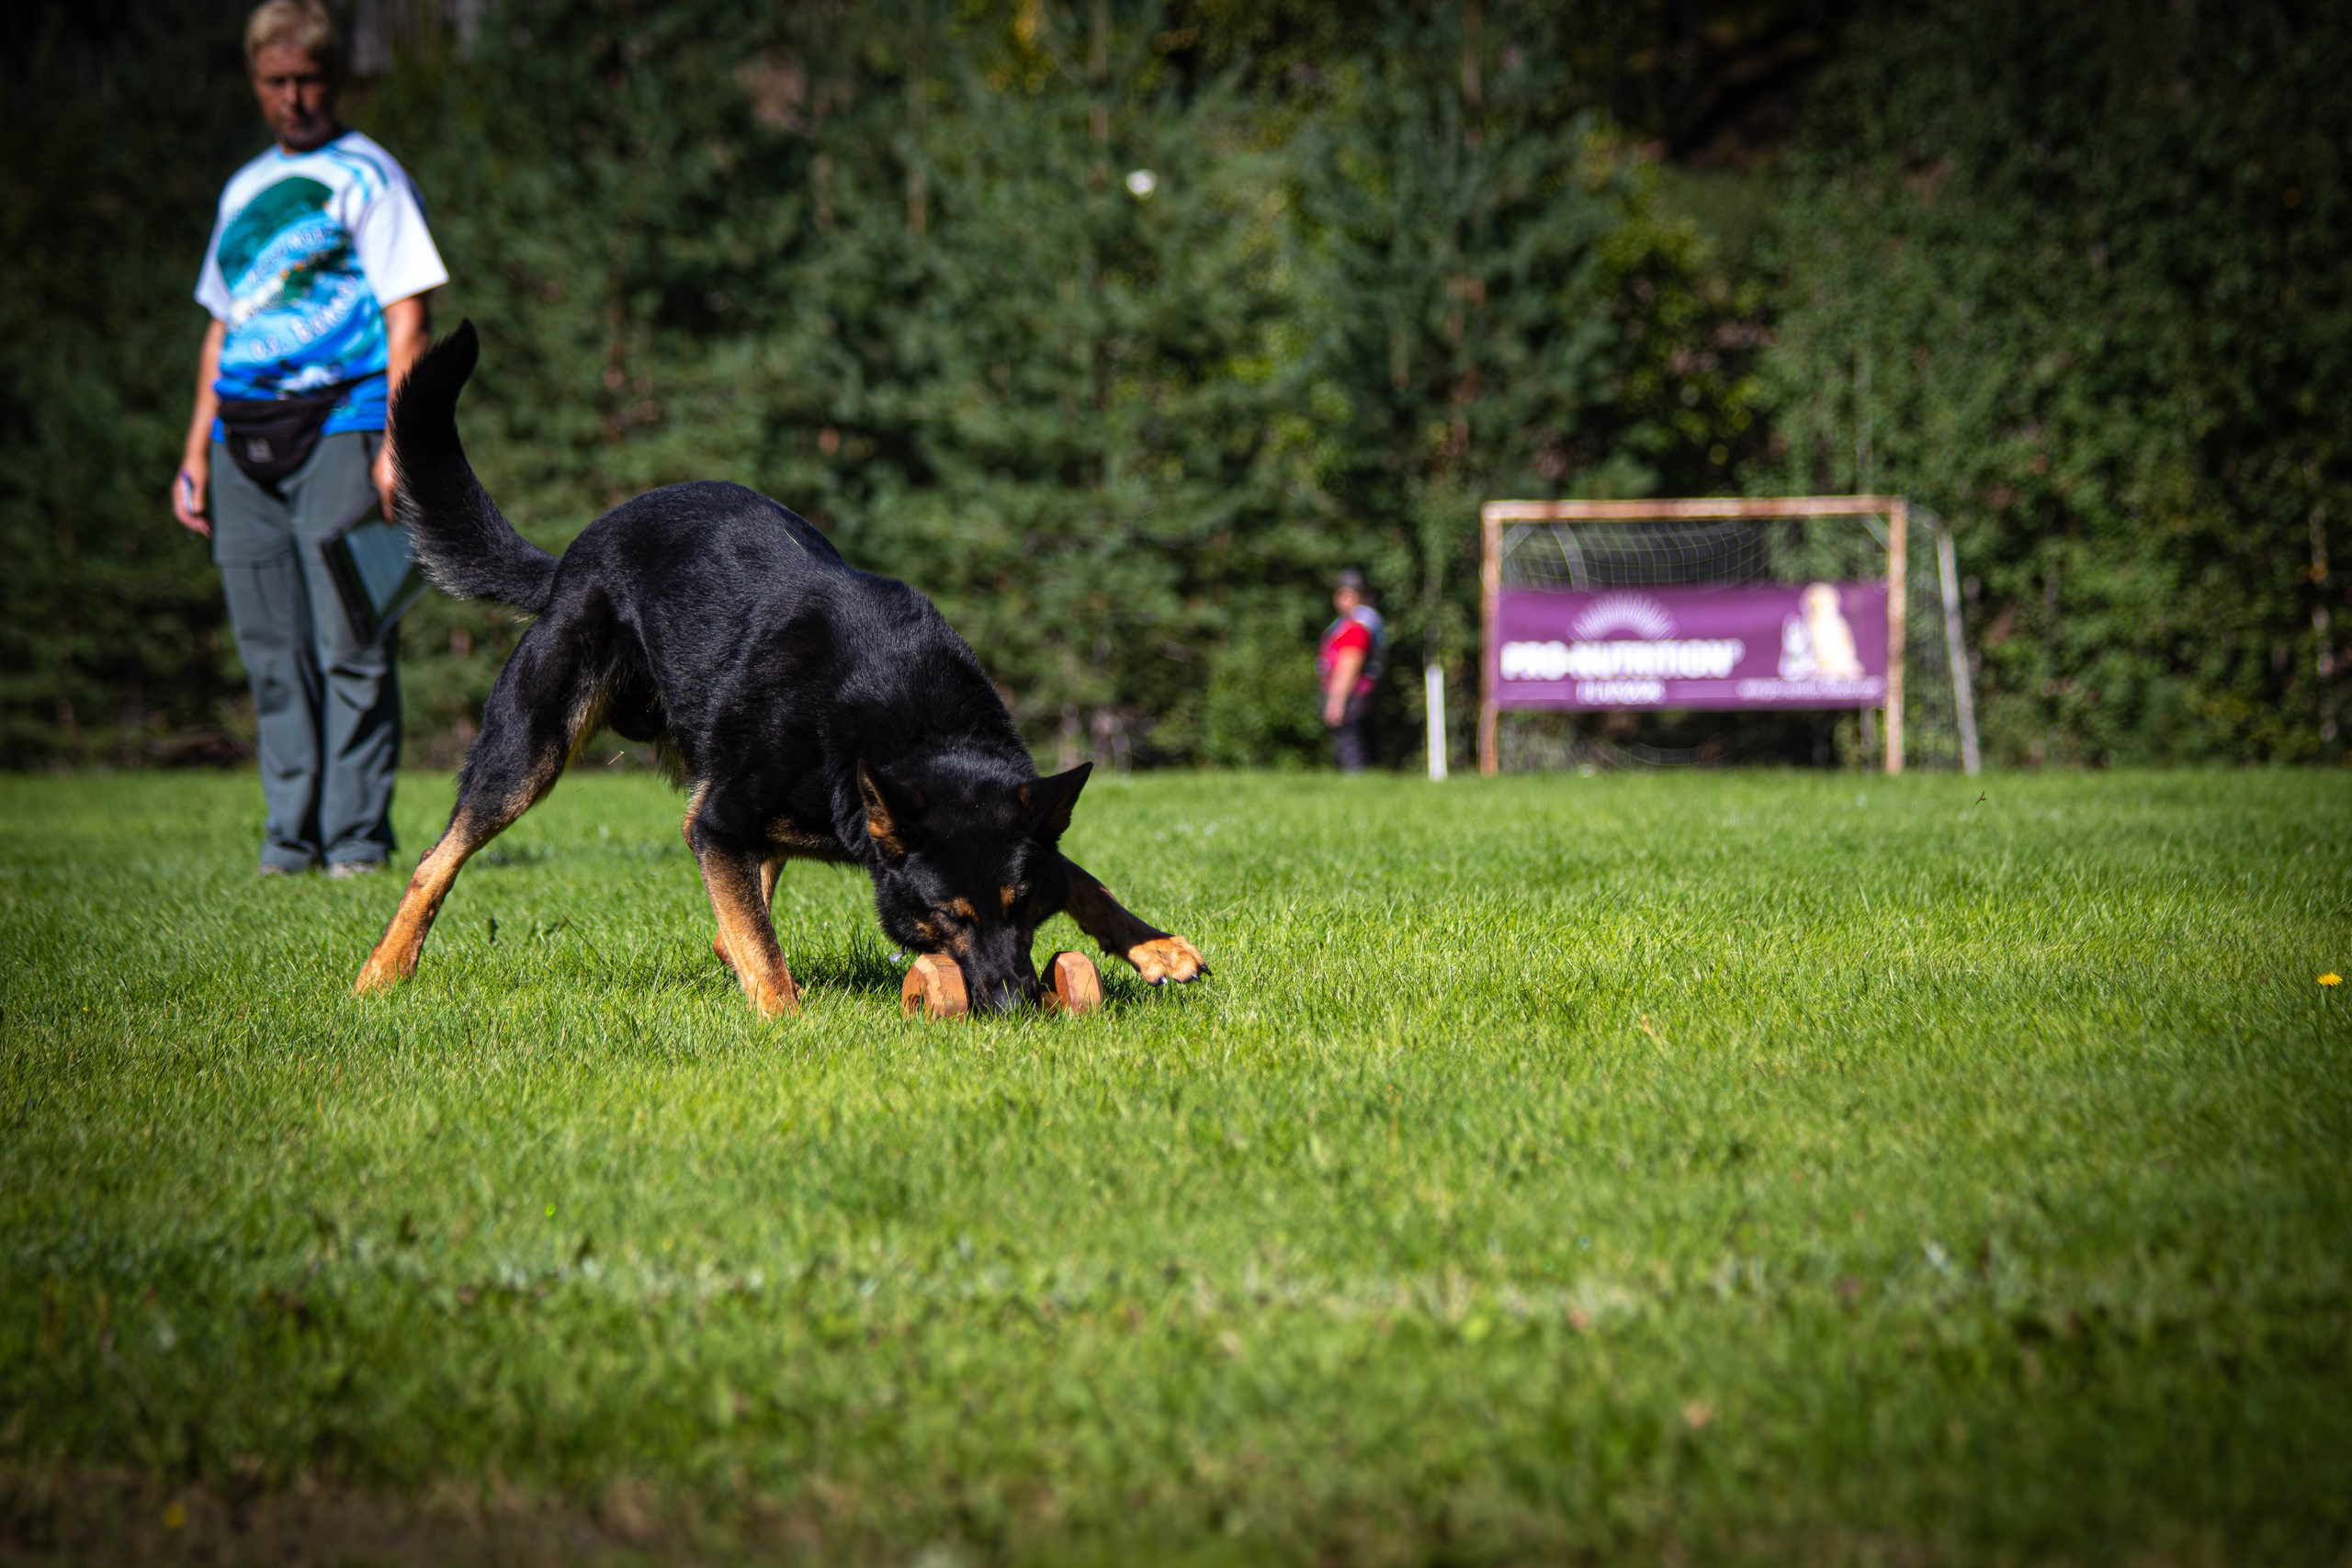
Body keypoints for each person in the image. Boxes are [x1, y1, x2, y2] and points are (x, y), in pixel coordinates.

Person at [172, 0, 447, 876]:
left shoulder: (369, 177)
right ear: (256, 84)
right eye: (275, 82)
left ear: (333, 80)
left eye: (308, 80)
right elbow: (221, 329)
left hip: (347, 423)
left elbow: (412, 316)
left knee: (355, 640)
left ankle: (357, 845)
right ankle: (288, 843)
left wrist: (397, 443)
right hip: (241, 438)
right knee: (271, 653)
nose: (293, 97)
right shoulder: (244, 190)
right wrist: (193, 455)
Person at [1317, 570, 1385, 772]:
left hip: (1351, 694)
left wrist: (1336, 700)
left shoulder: (1356, 626)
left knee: (1350, 748)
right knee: (1359, 744)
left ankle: (1358, 788)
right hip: (1359, 694)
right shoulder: (1363, 622)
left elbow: (1349, 664)